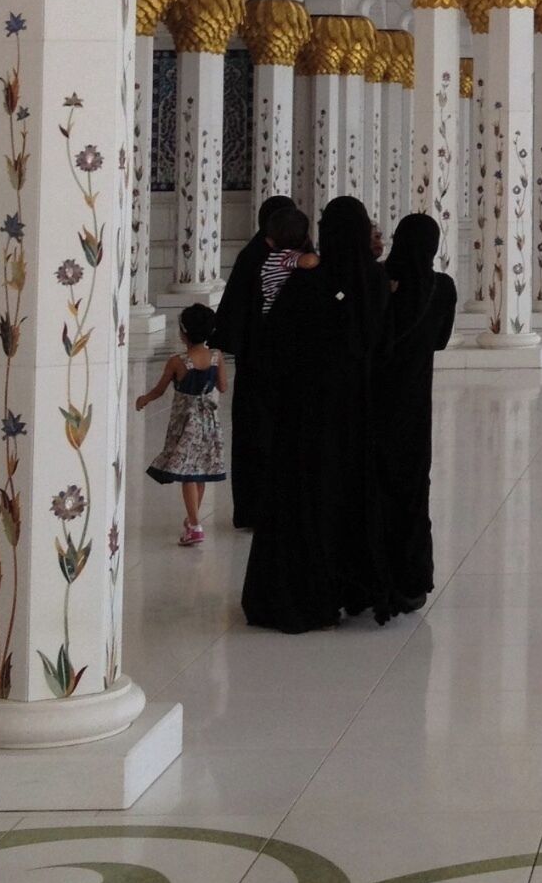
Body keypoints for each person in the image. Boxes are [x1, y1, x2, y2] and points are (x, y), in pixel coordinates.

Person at [242, 195, 389, 634]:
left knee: (309, 501)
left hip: (309, 421)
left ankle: (308, 591)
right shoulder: (375, 283)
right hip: (360, 417)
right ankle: (355, 586)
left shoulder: (311, 284)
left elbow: (278, 348)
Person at [369, 212, 457, 622]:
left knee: (372, 486)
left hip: (371, 399)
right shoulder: (443, 289)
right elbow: (439, 341)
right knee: (410, 490)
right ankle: (411, 580)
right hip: (414, 403)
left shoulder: (378, 281)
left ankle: (370, 576)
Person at [213, 195, 306, 531]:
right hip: (287, 365)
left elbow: (233, 315)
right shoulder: (300, 260)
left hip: (257, 365)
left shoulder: (252, 257)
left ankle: (254, 509)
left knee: (256, 435)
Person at [137, 303, 229, 545]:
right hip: (208, 423)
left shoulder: (178, 361)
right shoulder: (217, 357)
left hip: (185, 423)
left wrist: (143, 399)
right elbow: (223, 387)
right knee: (201, 472)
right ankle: (192, 519)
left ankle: (195, 526)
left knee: (188, 473)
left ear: (182, 332)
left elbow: (159, 390)